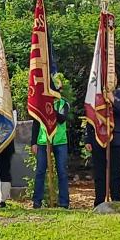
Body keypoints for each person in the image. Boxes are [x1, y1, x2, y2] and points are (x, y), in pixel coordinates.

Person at [84, 88, 120, 207]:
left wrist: (112, 99)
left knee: (115, 173)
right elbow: (90, 116)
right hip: (98, 138)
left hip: (116, 139)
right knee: (99, 173)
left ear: (116, 80)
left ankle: (116, 202)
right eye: (108, 75)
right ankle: (99, 202)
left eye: (113, 76)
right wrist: (87, 139)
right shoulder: (96, 94)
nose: (110, 79)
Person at [31, 74, 70, 209]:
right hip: (43, 141)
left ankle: (64, 203)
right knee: (40, 171)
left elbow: (62, 118)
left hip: (60, 141)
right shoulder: (40, 105)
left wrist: (49, 109)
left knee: (62, 172)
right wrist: (33, 142)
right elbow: (36, 124)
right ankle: (37, 202)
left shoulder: (63, 104)